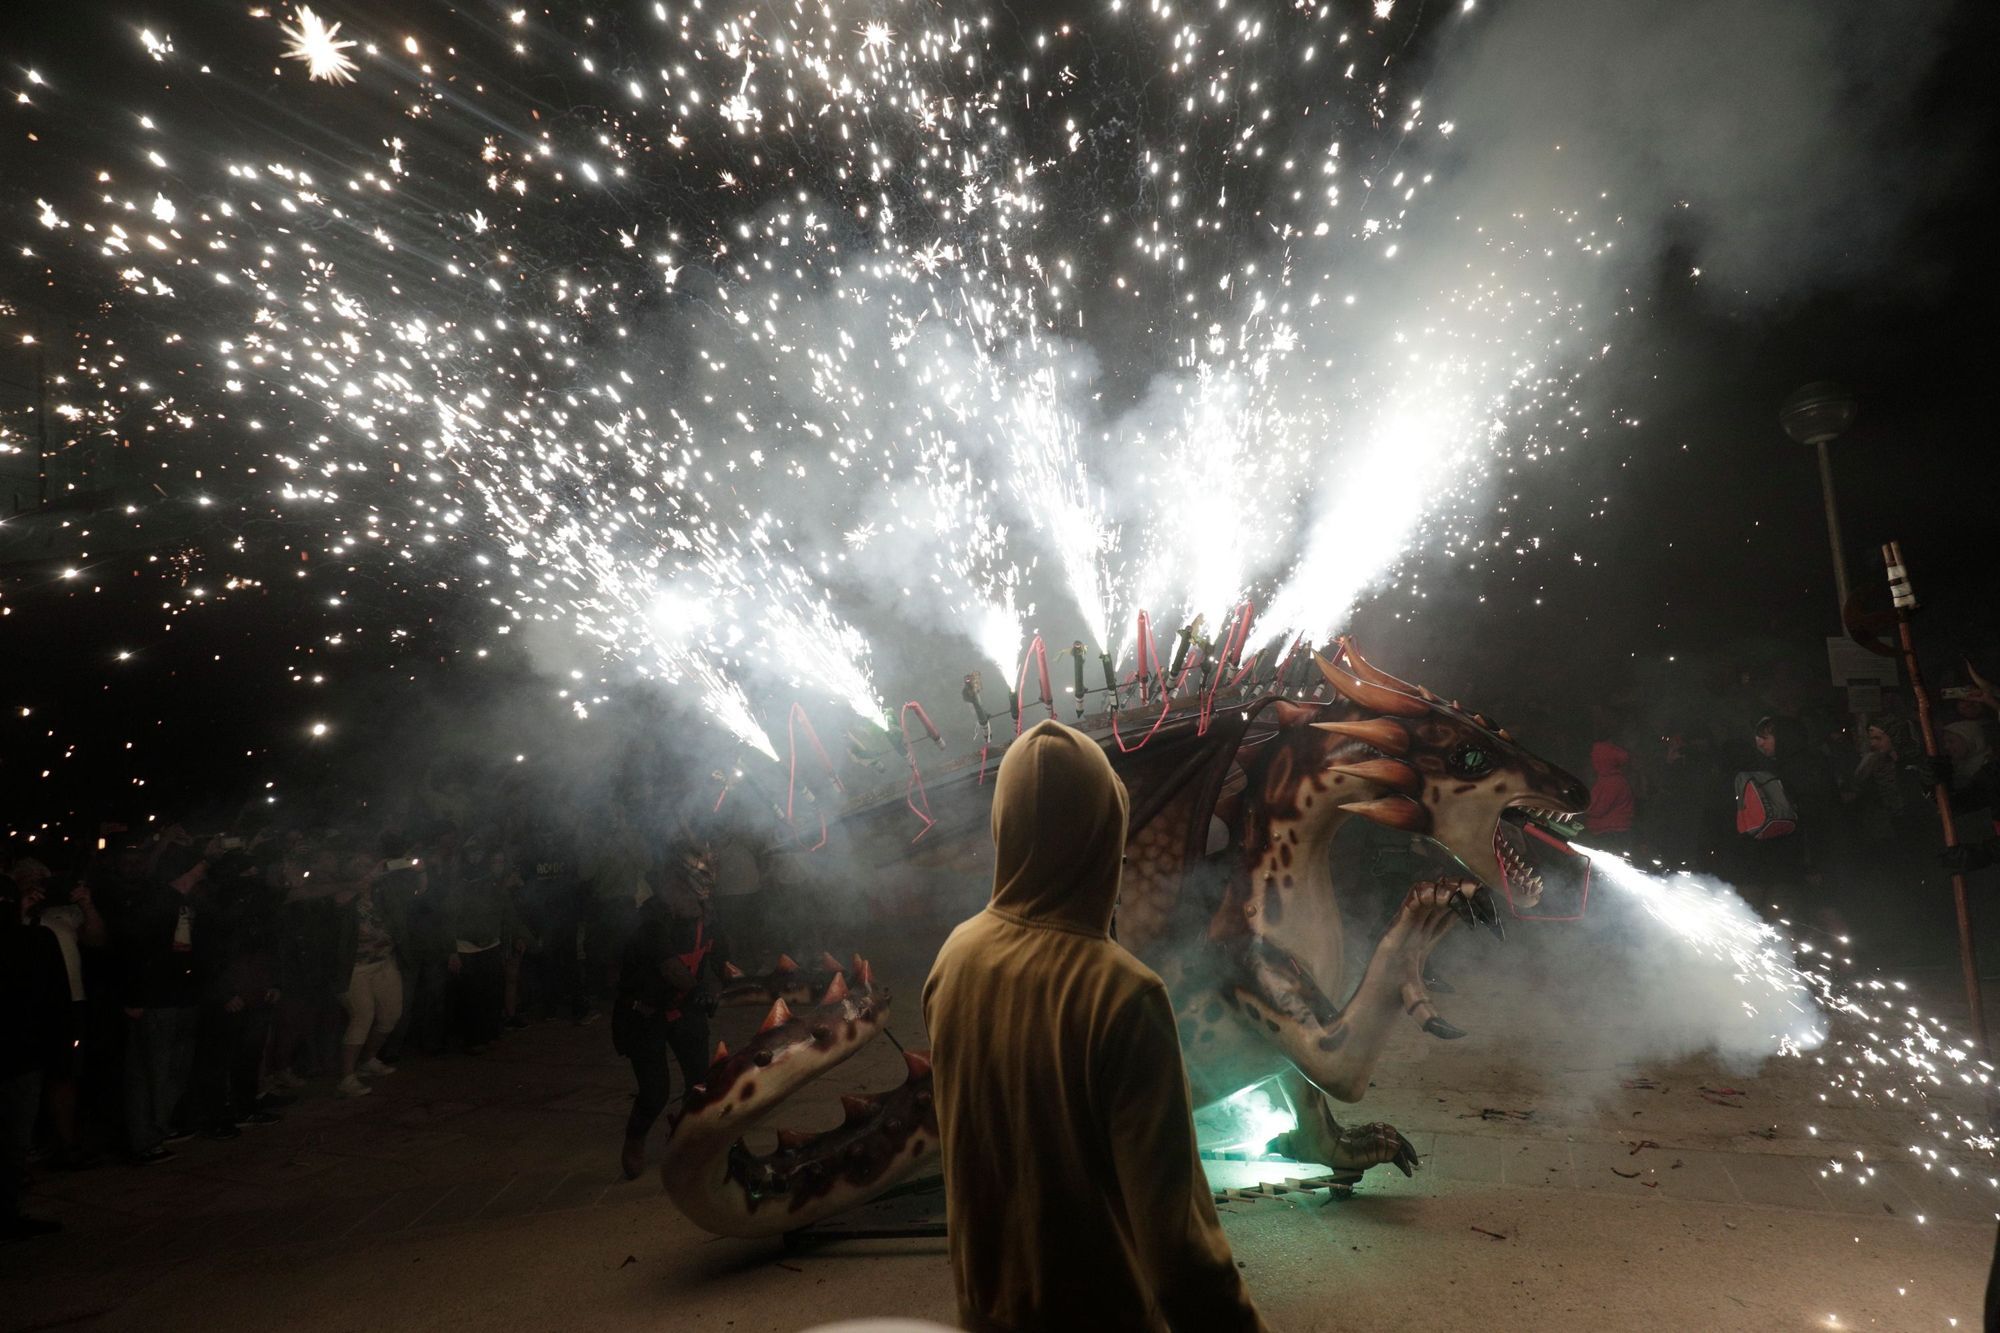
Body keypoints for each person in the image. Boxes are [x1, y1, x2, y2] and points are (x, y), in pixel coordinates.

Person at [922, 720, 1269, 1333]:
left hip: (983, 1312)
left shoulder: (956, 955)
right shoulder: (1124, 994)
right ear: (1104, 837)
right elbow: (1180, 1252)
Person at [613, 844, 728, 1181]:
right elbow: (670, 968)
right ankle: (635, 1139)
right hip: (644, 1014)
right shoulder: (651, 920)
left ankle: (690, 1140)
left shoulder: (707, 916)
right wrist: (699, 990)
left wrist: (717, 989)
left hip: (683, 1008)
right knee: (655, 1091)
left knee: (700, 1081)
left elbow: (719, 960)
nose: (699, 901)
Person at [118, 845, 209, 1162]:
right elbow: (133, 950)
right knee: (149, 1071)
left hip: (182, 995)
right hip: (156, 999)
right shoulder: (151, 900)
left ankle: (158, 1126)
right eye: (198, 867)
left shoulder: (187, 899)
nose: (203, 871)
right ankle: (142, 1139)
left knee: (173, 1069)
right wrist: (134, 997)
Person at [3, 871, 71, 1239]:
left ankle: (8, 1210)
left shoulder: (33, 939)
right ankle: (7, 1212)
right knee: (13, 1138)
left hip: (22, 1052)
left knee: (15, 1138)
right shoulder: (35, 940)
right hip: (22, 1053)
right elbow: (54, 999)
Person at [332, 854, 409, 1098]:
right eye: (361, 866)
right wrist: (364, 881)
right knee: (362, 1016)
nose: (368, 871)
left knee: (391, 1013)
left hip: (384, 961)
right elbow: (339, 902)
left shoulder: (381, 892)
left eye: (369, 866)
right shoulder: (343, 893)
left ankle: (369, 1060)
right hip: (355, 968)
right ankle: (346, 1077)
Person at [445, 834, 522, 1055]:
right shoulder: (459, 883)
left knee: (491, 992)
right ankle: (472, 1038)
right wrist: (452, 951)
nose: (476, 857)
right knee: (472, 995)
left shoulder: (490, 882)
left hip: (490, 944)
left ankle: (488, 1033)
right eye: (472, 852)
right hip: (467, 946)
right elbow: (449, 918)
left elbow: (505, 912)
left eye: (479, 852)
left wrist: (519, 936)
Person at [1582, 740, 1636, 855]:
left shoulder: (1613, 782)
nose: (1591, 756)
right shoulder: (1609, 779)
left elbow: (1596, 810)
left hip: (1610, 835)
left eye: (1595, 754)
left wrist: (1575, 808)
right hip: (1608, 833)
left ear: (1603, 759)